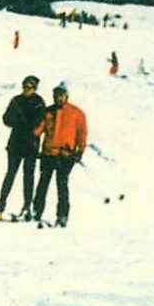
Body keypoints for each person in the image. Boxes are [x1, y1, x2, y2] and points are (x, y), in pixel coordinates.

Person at [32, 82, 88, 228]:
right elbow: (39, 130)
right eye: (55, 95)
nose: (58, 98)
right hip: (48, 153)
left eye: (61, 95)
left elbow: (82, 134)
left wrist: (80, 151)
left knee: (62, 186)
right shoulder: (47, 112)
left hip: (65, 155)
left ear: (66, 96)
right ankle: (36, 212)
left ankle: (62, 216)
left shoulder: (77, 113)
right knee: (43, 184)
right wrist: (30, 134)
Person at [0, 75, 46, 221]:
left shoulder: (39, 102)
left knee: (28, 177)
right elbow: (6, 119)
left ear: (35, 88)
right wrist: (16, 120)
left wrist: (29, 125)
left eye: (29, 87)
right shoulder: (16, 101)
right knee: (10, 173)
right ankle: (1, 202)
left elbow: (39, 121)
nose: (26, 89)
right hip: (15, 143)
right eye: (24, 86)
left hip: (30, 144)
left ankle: (27, 206)